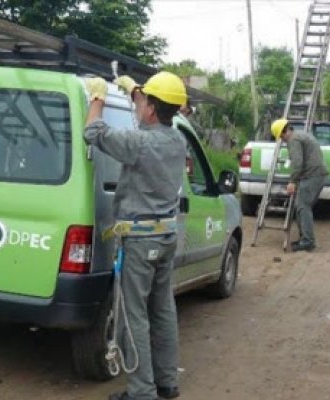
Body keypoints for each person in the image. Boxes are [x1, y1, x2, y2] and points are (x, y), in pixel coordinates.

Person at [84, 71, 187, 400]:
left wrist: (97, 98)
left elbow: (93, 132)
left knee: (133, 316)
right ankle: (166, 382)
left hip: (140, 242)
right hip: (166, 237)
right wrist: (136, 92)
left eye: (144, 102)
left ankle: (142, 392)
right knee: (163, 309)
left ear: (152, 109)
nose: (139, 104)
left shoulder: (139, 144)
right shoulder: (177, 139)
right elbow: (147, 120)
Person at [271, 118, 328, 252]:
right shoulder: (301, 134)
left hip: (313, 175)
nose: (282, 140)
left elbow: (297, 163)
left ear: (282, 133)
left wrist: (292, 181)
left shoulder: (293, 140)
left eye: (280, 137)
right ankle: (305, 238)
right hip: (316, 174)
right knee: (300, 206)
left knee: (303, 206)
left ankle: (308, 241)